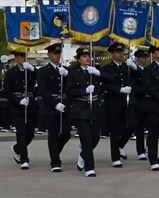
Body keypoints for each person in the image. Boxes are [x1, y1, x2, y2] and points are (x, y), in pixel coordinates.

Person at [66, 47, 104, 177]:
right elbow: (69, 92)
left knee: (96, 138)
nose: (87, 58)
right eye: (84, 56)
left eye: (88, 56)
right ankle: (89, 168)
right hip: (80, 109)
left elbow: (110, 79)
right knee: (86, 138)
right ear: (78, 59)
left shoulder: (95, 71)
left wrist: (99, 73)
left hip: (95, 108)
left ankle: (83, 155)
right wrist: (84, 91)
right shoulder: (73, 73)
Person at [101, 42, 138, 167]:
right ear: (112, 54)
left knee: (132, 125)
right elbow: (104, 85)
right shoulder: (107, 68)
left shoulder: (127, 67)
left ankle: (120, 145)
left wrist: (134, 67)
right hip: (113, 102)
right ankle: (115, 158)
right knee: (115, 130)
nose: (121, 54)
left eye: (122, 52)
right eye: (118, 52)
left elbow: (140, 76)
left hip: (127, 102)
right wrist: (119, 89)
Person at [36, 43, 71, 172]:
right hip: (51, 106)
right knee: (53, 134)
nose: (57, 56)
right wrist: (55, 104)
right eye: (55, 53)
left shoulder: (66, 69)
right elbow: (43, 91)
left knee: (66, 133)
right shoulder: (43, 71)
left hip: (65, 104)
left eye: (59, 53)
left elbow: (73, 85)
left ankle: (55, 150)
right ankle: (55, 161)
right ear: (49, 55)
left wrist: (67, 74)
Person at [5, 51, 38, 170]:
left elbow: (41, 77)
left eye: (24, 56)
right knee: (21, 132)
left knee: (30, 133)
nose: (22, 58)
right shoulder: (10, 73)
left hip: (30, 104)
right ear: (15, 58)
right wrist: (18, 101)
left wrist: (33, 69)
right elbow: (7, 92)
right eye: (20, 56)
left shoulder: (30, 70)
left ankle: (17, 148)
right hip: (17, 105)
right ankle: (24, 159)